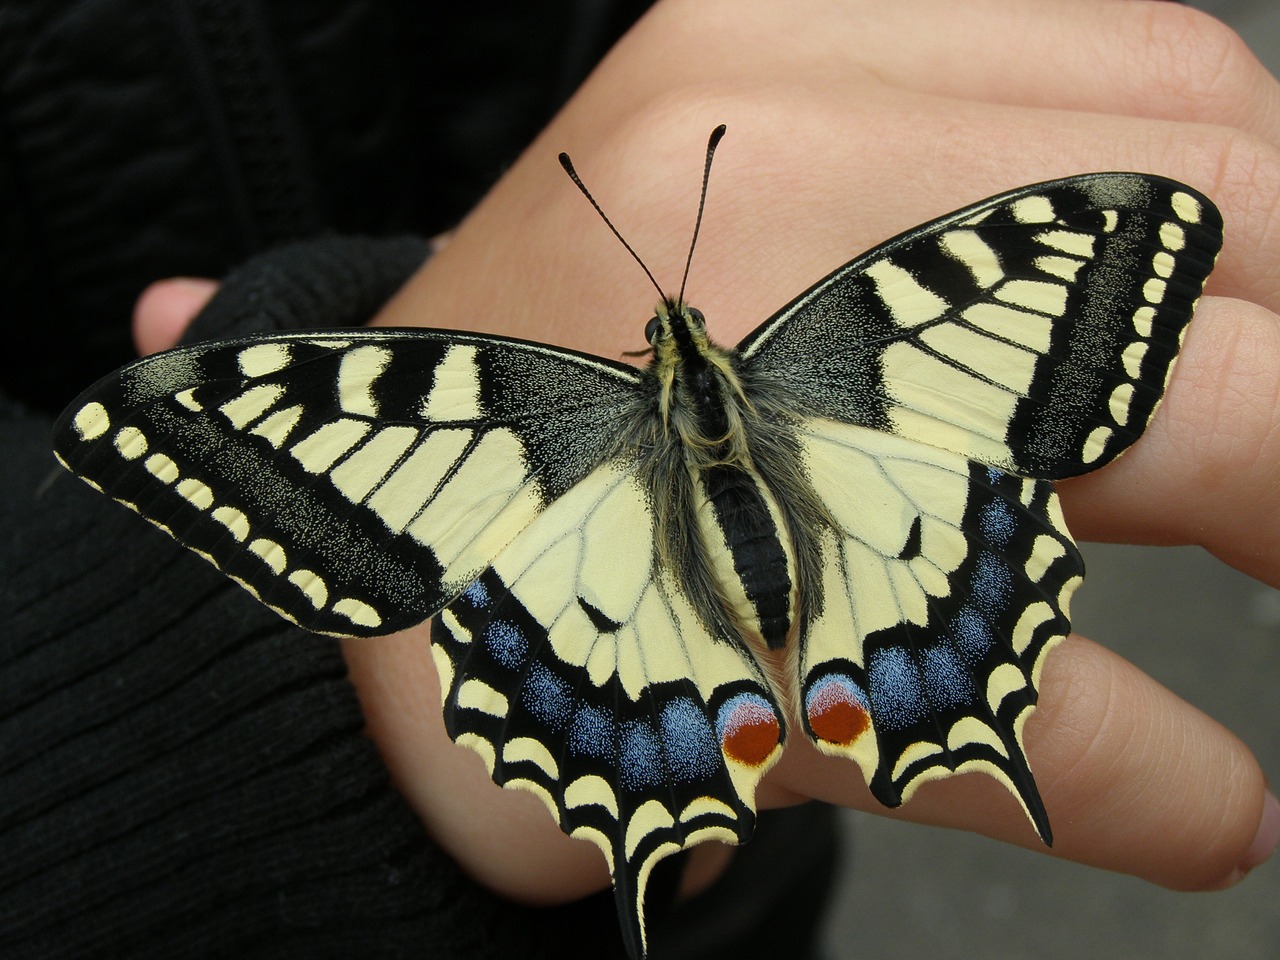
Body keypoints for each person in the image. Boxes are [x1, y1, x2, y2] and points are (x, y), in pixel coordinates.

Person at [3, 1, 1277, 957]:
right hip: (844, 558)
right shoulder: (845, 342)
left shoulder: (523, 409)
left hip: (611, 640)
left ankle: (749, 736)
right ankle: (844, 703)